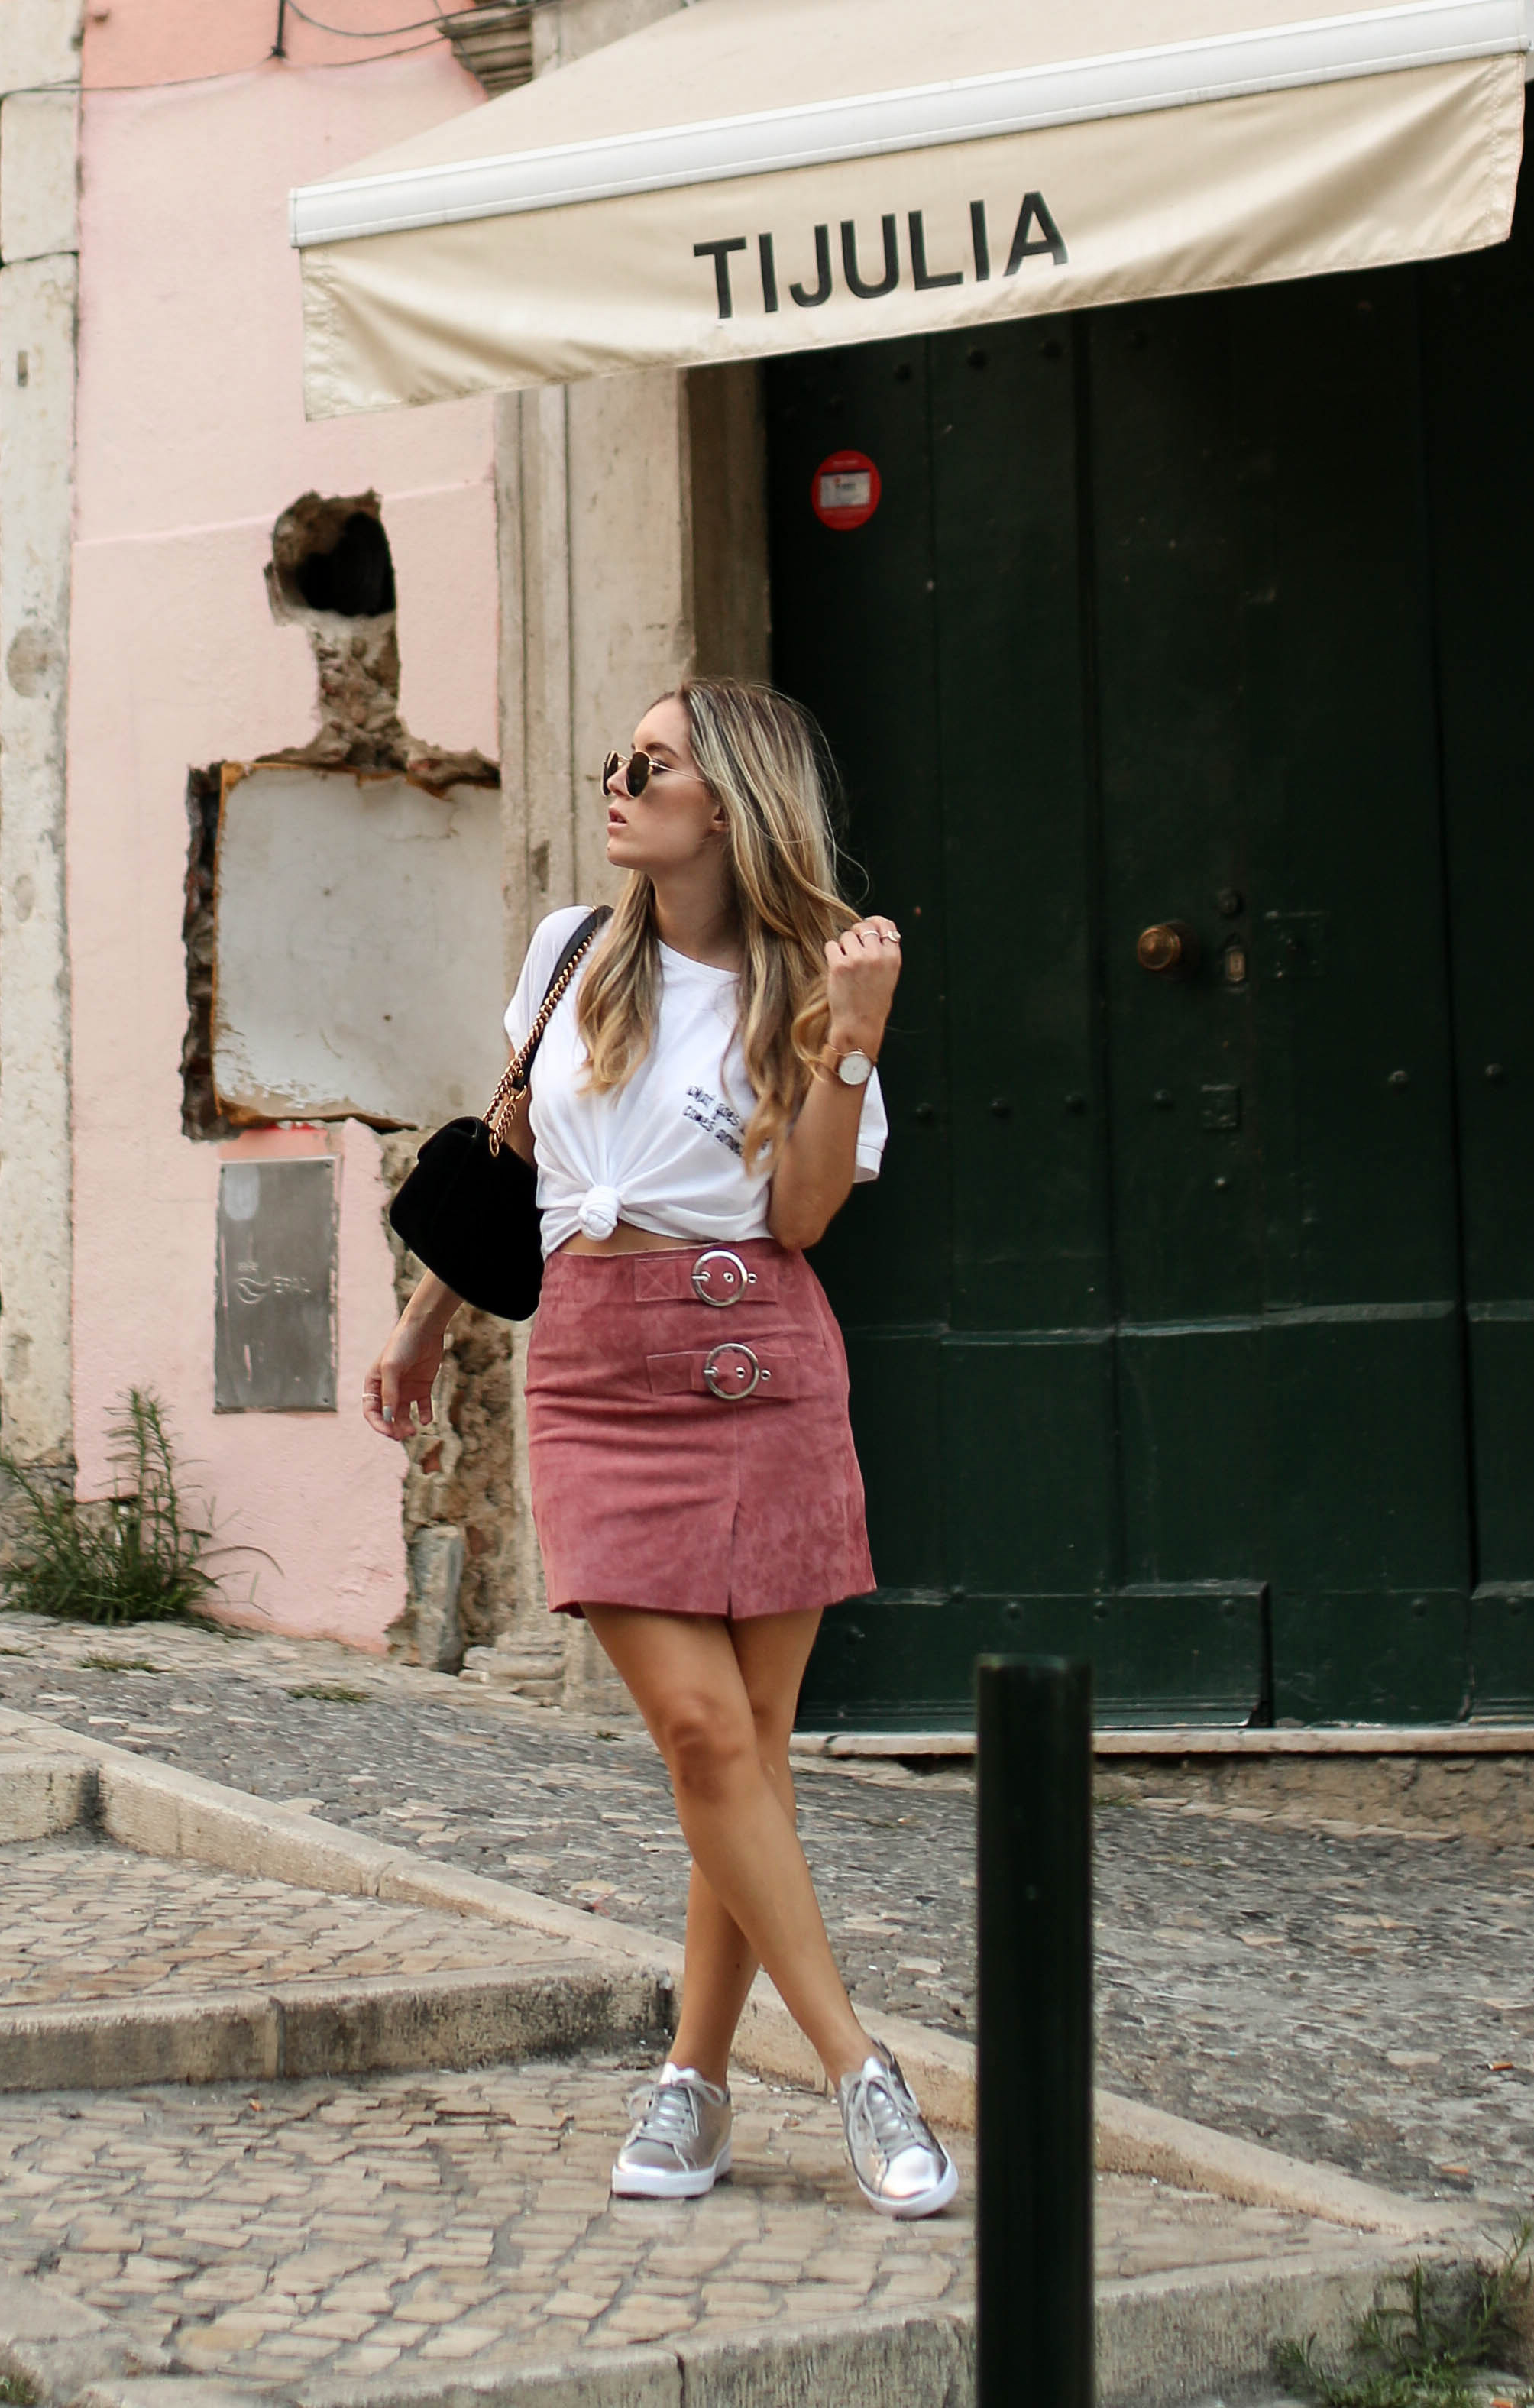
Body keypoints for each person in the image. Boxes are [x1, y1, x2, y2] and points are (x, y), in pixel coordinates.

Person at [364, 675, 957, 2219]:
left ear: (732, 803)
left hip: (759, 1353)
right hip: (592, 1361)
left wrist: (853, 1041)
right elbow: (513, 1152)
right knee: (703, 1734)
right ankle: (857, 2071)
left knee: (738, 1759)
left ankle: (692, 2087)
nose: (616, 780)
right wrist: (432, 1320)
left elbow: (813, 1213)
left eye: (651, 762)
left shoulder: (804, 987)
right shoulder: (571, 954)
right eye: (613, 753)